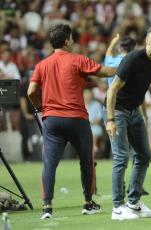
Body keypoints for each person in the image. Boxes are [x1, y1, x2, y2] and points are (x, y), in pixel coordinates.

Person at [27, 24, 118, 219]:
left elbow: (30, 91)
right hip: (77, 119)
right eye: (73, 39)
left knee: (49, 164)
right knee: (86, 162)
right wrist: (131, 67)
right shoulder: (78, 60)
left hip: (51, 120)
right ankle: (88, 203)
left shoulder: (42, 65)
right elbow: (107, 71)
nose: (75, 42)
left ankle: (47, 208)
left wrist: (39, 108)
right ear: (67, 41)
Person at [104, 25, 151, 220]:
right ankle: (117, 207)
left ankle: (134, 202)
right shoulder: (132, 59)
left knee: (144, 154)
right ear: (147, 40)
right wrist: (110, 120)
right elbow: (112, 90)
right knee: (121, 157)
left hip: (135, 111)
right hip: (117, 111)